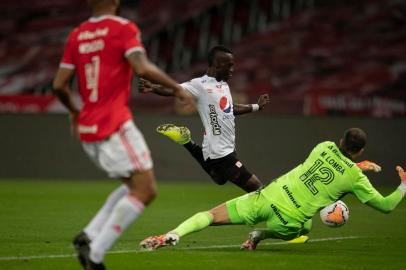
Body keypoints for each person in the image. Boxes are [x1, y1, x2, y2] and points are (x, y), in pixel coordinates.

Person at [52, 0, 192, 269]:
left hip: (88, 128)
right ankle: (95, 255)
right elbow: (141, 67)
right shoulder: (123, 28)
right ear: (115, 1)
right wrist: (176, 88)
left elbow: (59, 85)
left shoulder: (77, 34)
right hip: (113, 124)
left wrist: (73, 111)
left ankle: (89, 235)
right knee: (146, 190)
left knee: (133, 186)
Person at [139, 128, 405, 251]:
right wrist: (403, 185)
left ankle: (171, 235)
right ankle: (260, 235)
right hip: (287, 220)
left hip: (266, 197)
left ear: (340, 140)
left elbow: (333, 166)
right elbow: (386, 205)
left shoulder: (323, 146)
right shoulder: (355, 178)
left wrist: (357, 165)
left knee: (210, 215)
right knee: (305, 228)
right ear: (361, 150)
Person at [139, 45, 271, 192]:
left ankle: (187, 142)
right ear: (218, 64)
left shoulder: (223, 85)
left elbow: (230, 108)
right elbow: (174, 89)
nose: (233, 69)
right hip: (220, 153)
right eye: (230, 65)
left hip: (225, 148)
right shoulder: (200, 85)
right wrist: (153, 87)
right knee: (258, 189)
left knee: (219, 179)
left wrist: (256, 106)